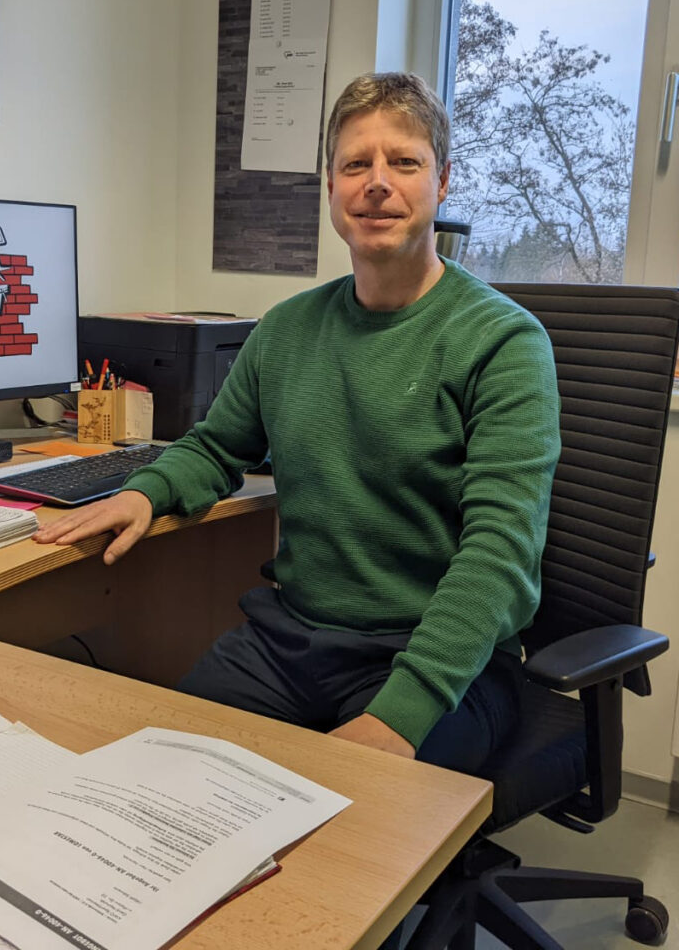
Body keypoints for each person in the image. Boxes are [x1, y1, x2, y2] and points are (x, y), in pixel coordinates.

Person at [34, 72, 561, 772]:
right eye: (355, 164)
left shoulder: (503, 342)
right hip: (291, 643)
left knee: (346, 839)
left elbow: (501, 554)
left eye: (404, 162)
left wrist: (399, 717)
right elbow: (219, 448)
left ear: (443, 182)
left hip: (440, 662)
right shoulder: (287, 329)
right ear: (332, 187)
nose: (377, 183)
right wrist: (145, 492)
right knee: (156, 778)